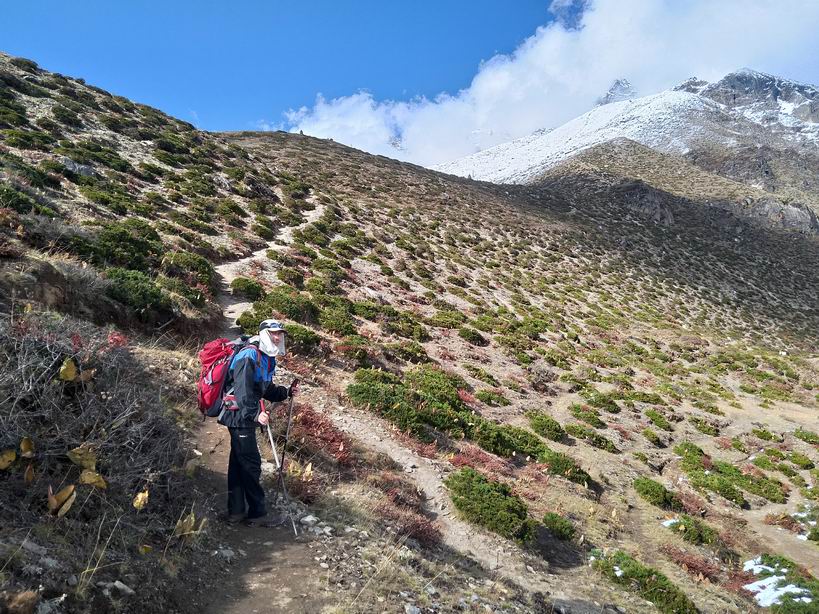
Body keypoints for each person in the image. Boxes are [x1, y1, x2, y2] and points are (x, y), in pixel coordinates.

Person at [217, 319, 299, 526]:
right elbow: (243, 390)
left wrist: (286, 392)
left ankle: (235, 512)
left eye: (280, 333)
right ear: (264, 333)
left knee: (239, 463)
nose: (278, 337)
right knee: (252, 464)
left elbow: (264, 388)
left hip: (242, 414)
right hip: (239, 415)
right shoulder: (250, 355)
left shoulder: (266, 356)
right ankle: (257, 513)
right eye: (274, 333)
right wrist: (255, 415)